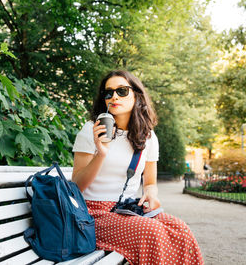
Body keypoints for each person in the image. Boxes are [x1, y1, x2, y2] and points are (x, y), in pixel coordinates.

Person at [72, 70, 204, 265]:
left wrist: (152, 195)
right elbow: (76, 187)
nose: (114, 96)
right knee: (152, 232)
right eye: (108, 93)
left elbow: (150, 182)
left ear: (137, 95)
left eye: (122, 91)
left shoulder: (148, 137)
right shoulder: (92, 129)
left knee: (180, 229)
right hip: (92, 214)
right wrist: (101, 153)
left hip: (126, 210)